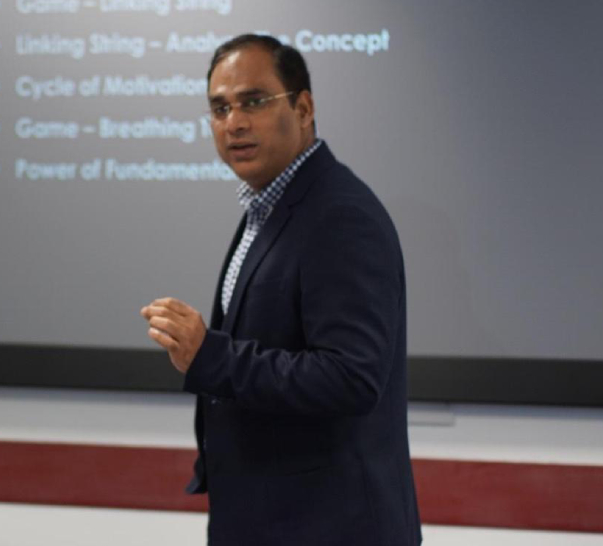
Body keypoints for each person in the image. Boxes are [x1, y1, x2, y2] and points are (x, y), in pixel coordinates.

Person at [140, 34, 421, 545]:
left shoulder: (339, 215)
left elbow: (351, 376)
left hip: (329, 528)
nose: (235, 123)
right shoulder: (268, 209)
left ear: (304, 106)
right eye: (219, 108)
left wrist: (212, 356)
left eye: (253, 102)